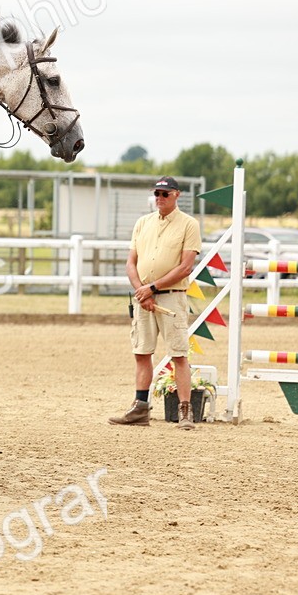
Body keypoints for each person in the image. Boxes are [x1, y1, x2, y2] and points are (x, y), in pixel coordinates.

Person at [109, 177, 202, 430]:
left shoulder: (189, 225)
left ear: (176, 195)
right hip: (144, 296)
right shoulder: (142, 223)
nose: (159, 198)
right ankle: (140, 408)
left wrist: (152, 287)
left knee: (178, 353)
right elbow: (131, 262)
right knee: (141, 352)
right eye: (157, 193)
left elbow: (185, 267)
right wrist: (142, 290)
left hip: (172, 296)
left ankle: (185, 411)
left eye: (164, 194)